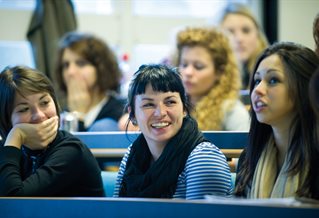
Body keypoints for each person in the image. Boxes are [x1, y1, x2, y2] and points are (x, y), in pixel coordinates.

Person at [113, 64, 232, 199]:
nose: (160, 113)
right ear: (132, 114)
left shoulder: (204, 158)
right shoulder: (133, 154)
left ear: (184, 109)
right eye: (149, 104)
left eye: (170, 102)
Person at [0, 66, 105, 197]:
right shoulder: (9, 148)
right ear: (6, 120)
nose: (39, 115)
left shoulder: (71, 150)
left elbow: (14, 203)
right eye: (24, 109)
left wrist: (16, 135)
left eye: (44, 103)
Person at [235, 42, 319, 199]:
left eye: (273, 80)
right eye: (257, 80)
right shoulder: (249, 158)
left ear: (304, 88)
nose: (258, 90)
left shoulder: (316, 158)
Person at [176, 26, 250, 131]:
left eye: (198, 66)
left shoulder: (233, 112)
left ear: (219, 72)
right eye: (184, 64)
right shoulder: (173, 106)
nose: (188, 72)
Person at [55, 31, 125, 131]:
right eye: (66, 65)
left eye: (81, 63)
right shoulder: (59, 116)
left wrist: (78, 115)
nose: (70, 72)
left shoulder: (121, 111)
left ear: (101, 68)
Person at [220, 3, 269, 90]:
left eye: (246, 30)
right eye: (230, 31)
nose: (239, 39)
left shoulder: (271, 71)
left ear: (258, 36)